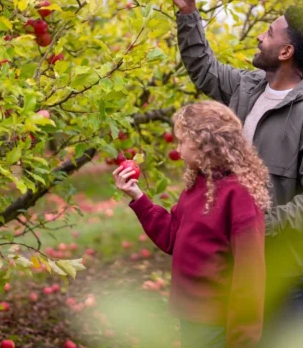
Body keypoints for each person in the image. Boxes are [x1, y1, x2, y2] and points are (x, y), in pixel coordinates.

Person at [166, 0, 303, 347]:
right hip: (236, 264)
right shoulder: (248, 87)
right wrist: (187, 14)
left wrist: (261, 225)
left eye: (270, 32)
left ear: (286, 52)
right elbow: (204, 68)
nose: (260, 36)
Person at [114, 101, 270, 348]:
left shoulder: (239, 195)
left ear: (204, 145)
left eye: (181, 142)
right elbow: (172, 237)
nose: (177, 148)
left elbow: (249, 274)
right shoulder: (199, 184)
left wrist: (242, 338)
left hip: (217, 322)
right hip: (192, 316)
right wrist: (138, 197)